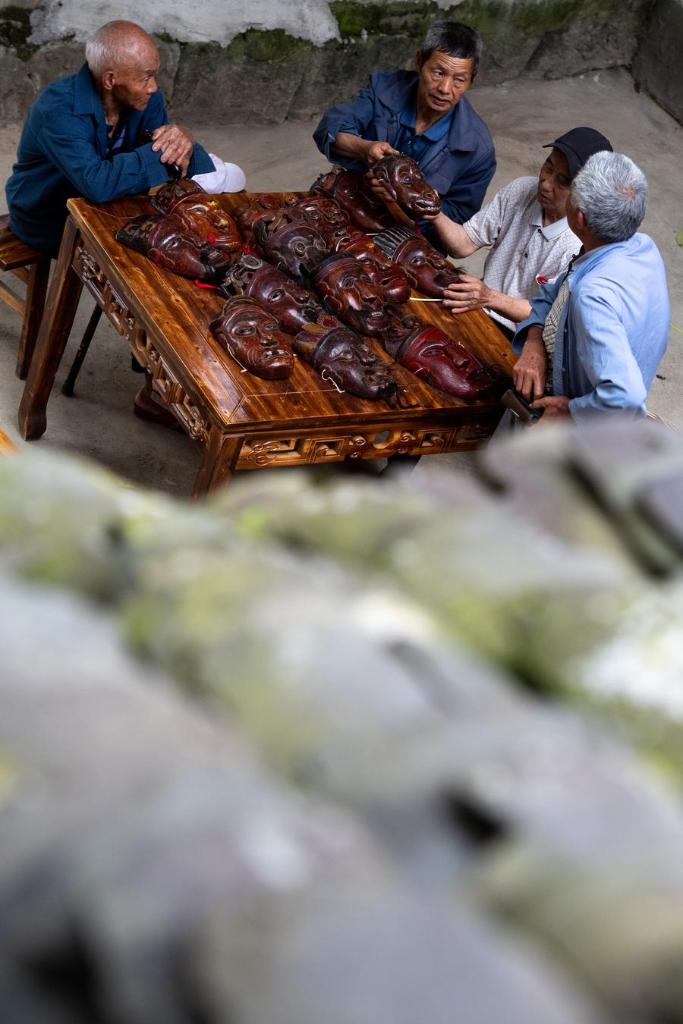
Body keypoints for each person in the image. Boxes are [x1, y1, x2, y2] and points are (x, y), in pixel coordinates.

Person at [5, 20, 245, 258]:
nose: (153, 87)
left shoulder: (145, 98)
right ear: (110, 80)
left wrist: (184, 140)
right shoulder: (57, 109)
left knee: (196, 237)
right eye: (146, 77)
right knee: (154, 258)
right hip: (46, 219)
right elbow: (98, 184)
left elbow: (167, 150)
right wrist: (169, 152)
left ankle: (211, 170)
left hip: (107, 207)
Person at [511, 150, 669, 421]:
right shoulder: (640, 245)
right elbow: (554, 291)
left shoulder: (592, 295)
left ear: (580, 218)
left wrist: (569, 411)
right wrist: (534, 340)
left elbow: (625, 398)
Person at [313, 20, 495, 243]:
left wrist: (410, 202)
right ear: (420, 61)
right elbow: (331, 127)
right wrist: (364, 148)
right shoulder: (384, 88)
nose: (445, 89)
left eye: (459, 80)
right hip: (348, 202)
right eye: (438, 73)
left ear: (471, 81)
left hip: (405, 239)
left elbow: (459, 224)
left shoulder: (477, 149)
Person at [431, 127, 613, 335]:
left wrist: (490, 297)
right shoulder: (521, 190)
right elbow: (463, 244)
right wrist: (434, 211)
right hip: (477, 310)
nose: (545, 183)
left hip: (521, 338)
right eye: (548, 166)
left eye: (562, 181)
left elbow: (549, 317)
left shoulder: (579, 246)